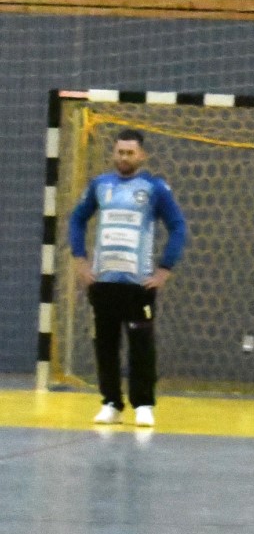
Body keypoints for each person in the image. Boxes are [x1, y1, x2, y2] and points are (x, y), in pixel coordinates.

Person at [67, 129, 188, 428]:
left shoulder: (154, 188)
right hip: (104, 283)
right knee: (105, 345)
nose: (124, 157)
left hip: (138, 285)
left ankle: (143, 404)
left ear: (141, 155)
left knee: (141, 347)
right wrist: (80, 260)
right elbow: (77, 219)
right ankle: (111, 402)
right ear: (114, 153)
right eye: (120, 152)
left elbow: (178, 226)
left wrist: (164, 270)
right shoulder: (100, 185)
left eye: (130, 152)